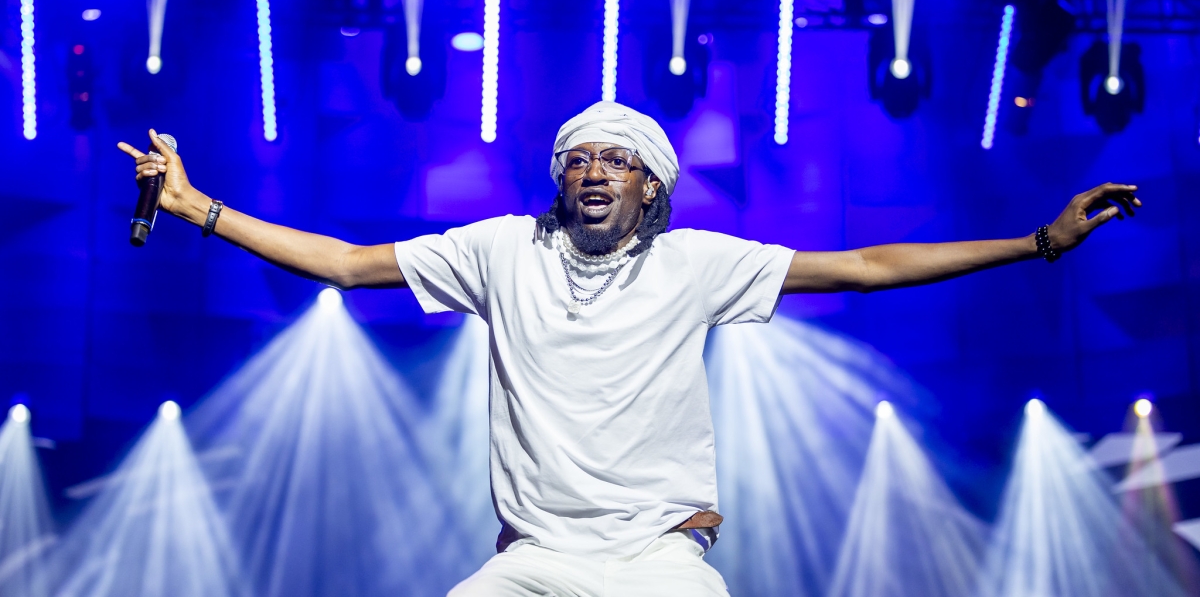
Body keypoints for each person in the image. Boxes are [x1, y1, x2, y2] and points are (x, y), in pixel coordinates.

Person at [119, 101, 1139, 596]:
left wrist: (1037, 243)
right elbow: (344, 263)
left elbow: (867, 264)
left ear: (651, 186)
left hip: (658, 554)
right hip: (533, 559)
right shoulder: (497, 250)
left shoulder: (697, 262)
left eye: (619, 157)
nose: (594, 168)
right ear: (561, 179)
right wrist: (197, 204)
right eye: (578, 157)